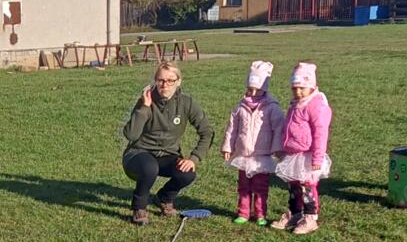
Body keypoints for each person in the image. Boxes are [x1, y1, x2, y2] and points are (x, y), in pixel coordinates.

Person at [121, 62, 213, 225]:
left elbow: (207, 132)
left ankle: (164, 198)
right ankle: (139, 208)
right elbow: (131, 134)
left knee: (187, 173)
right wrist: (144, 107)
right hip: (138, 153)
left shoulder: (186, 103)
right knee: (150, 168)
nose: (165, 85)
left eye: (170, 80)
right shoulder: (146, 100)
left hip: (167, 154)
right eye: (161, 80)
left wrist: (194, 158)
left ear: (178, 81)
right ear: (155, 80)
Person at [220, 61, 285, 225]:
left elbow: (278, 129)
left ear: (265, 89)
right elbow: (232, 128)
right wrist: (228, 147)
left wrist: (277, 149)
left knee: (261, 187)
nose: (253, 93)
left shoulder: (271, 108)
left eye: (258, 90)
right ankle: (243, 212)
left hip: (262, 156)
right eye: (250, 89)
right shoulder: (240, 107)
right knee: (243, 186)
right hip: (243, 155)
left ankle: (260, 214)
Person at [272, 62, 333, 235]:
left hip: (308, 155)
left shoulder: (316, 106)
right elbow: (289, 128)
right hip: (293, 153)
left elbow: (321, 133)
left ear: (312, 86)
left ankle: (310, 217)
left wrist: (317, 157)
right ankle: (295, 212)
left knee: (307, 186)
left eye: (302, 88)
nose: (298, 92)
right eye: (294, 88)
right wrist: (283, 148)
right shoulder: (295, 104)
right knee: (293, 185)